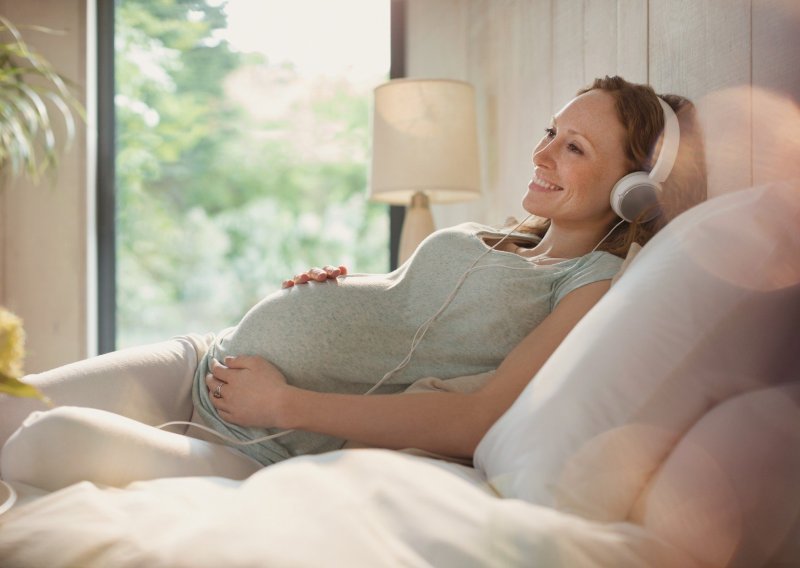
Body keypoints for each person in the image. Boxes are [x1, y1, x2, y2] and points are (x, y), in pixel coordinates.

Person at [0, 76, 706, 491]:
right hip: (202, 362)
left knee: (38, 442)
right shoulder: (504, 235)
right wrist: (341, 289)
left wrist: (283, 402)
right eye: (552, 131)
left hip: (260, 440)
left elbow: (477, 415)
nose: (541, 152)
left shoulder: (593, 284)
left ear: (632, 187)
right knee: (5, 409)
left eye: (573, 147)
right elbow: (406, 313)